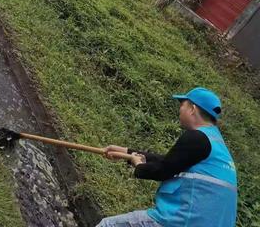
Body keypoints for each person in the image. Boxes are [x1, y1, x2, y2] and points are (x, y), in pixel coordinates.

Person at [97, 87, 237, 227]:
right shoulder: (217, 145)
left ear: (192, 109)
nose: (180, 110)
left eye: (182, 105)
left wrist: (138, 165)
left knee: (107, 224)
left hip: (182, 222)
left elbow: (162, 170)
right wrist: (126, 153)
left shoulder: (197, 137)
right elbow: (172, 161)